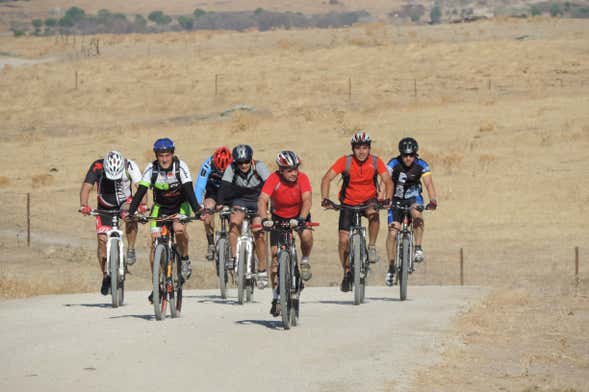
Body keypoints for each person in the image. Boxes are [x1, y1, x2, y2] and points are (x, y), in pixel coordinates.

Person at [127, 138, 202, 302]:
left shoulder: (180, 167)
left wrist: (197, 210)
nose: (164, 159)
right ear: (156, 156)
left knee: (179, 229)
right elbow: (140, 192)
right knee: (155, 244)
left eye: (167, 155)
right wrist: (131, 212)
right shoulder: (151, 169)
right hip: (160, 207)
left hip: (180, 206)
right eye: (161, 155)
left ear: (172, 154)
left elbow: (189, 190)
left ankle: (185, 259)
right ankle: (157, 285)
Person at [320, 131, 393, 292]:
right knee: (343, 240)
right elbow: (327, 178)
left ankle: (372, 246)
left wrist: (388, 199)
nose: (362, 152)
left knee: (374, 213)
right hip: (348, 203)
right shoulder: (345, 162)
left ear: (369, 148)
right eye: (358, 148)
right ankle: (347, 272)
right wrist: (325, 198)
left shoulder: (375, 162)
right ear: (353, 149)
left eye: (365, 148)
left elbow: (387, 180)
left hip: (369, 201)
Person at [79, 150, 145, 295]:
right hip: (105, 205)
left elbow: (141, 188)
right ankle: (106, 275)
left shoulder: (130, 165)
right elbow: (86, 187)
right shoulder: (97, 166)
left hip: (125, 202)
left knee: (131, 215)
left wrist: (143, 205)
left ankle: (131, 249)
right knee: (102, 240)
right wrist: (84, 205)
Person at [258, 151, 313, 317]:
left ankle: (304, 260)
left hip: (299, 215)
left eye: (295, 169)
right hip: (278, 217)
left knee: (306, 236)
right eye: (289, 170)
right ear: (281, 170)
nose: (294, 173)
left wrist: (302, 218)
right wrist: (264, 218)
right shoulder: (273, 179)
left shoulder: (302, 178)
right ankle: (275, 298)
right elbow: (262, 200)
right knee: (275, 258)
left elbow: (307, 200)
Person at [385, 137, 437, 286]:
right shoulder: (393, 163)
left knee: (417, 214)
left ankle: (418, 248)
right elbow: (385, 181)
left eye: (411, 155)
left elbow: (429, 184)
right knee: (393, 232)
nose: (408, 158)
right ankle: (391, 267)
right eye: (405, 155)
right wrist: (382, 199)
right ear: (400, 154)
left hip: (413, 197)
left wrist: (433, 200)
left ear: (415, 154)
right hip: (396, 199)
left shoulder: (422, 165)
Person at [217, 144, 270, 288]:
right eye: (240, 163)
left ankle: (262, 270)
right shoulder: (231, 168)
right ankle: (234, 258)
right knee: (234, 222)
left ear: (251, 159)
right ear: (235, 162)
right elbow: (225, 186)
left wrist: (269, 206)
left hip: (258, 200)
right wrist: (220, 203)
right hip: (239, 199)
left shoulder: (259, 167)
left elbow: (270, 185)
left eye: (246, 161)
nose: (243, 165)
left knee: (258, 232)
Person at [194, 146, 233, 261]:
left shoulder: (235, 165)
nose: (221, 172)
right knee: (208, 209)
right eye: (219, 169)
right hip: (213, 192)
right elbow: (200, 186)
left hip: (230, 192)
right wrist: (198, 206)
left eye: (224, 170)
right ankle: (211, 243)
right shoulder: (208, 164)